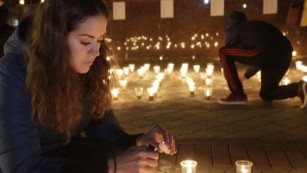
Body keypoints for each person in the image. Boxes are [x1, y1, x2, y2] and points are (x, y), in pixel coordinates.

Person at [0, 0, 176, 173]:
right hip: (25, 164)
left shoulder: (88, 68)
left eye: (100, 40)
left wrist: (138, 140)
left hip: (64, 156)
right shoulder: (13, 74)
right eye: (85, 42)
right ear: (55, 38)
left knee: (118, 155)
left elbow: (102, 127)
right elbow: (21, 168)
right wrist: (112, 166)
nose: (96, 52)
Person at [218, 11, 307, 108]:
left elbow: (231, 48)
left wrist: (237, 79)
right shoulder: (257, 26)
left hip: (267, 53)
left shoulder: (234, 29)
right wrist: (246, 75)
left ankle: (237, 95)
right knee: (267, 93)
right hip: (284, 56)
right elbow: (260, 56)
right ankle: (298, 89)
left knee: (224, 52)